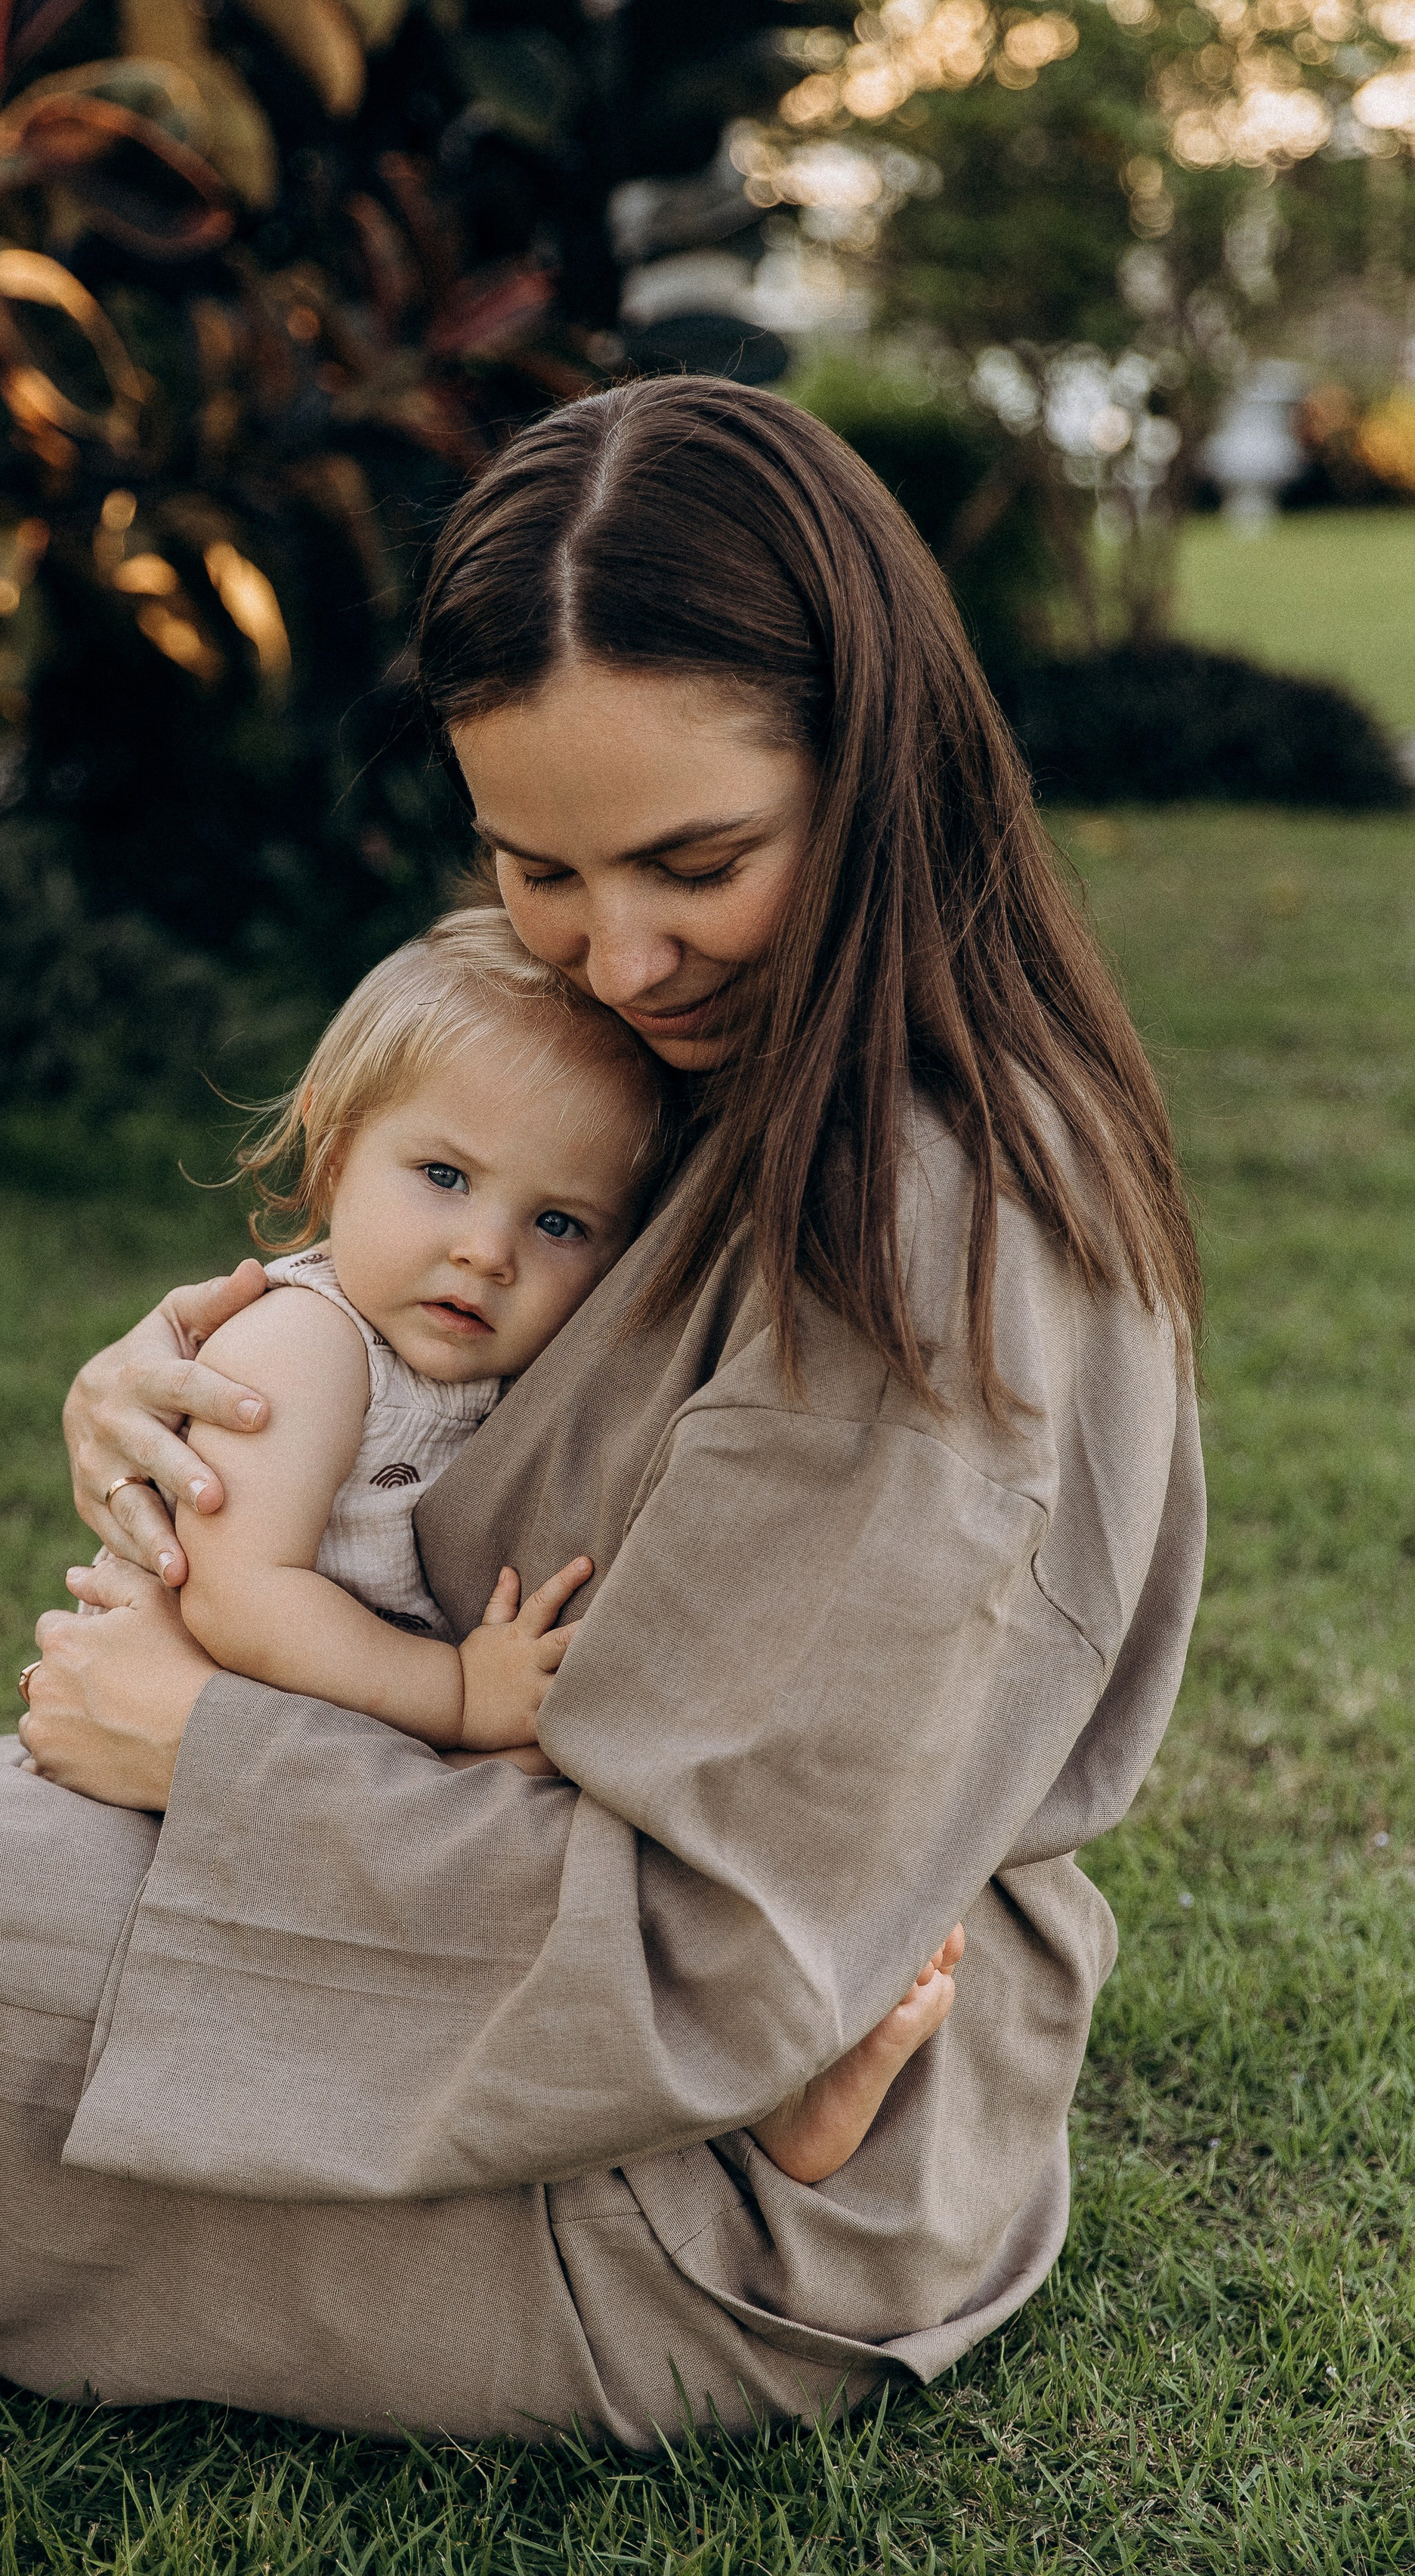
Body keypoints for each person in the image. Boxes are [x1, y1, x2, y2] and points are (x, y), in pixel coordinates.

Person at [0, 377, 1203, 2447]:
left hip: (687, 2204)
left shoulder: (932, 1241)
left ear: (877, 765)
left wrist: (210, 1749)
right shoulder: (765, 1059)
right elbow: (479, 1326)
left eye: (696, 861)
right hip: (533, 2034)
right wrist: (205, 1382)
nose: (620, 958)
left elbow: (717, 1952)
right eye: (536, 866)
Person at [131, 900, 965, 2184]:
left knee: (579, 1837)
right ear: (335, 1158)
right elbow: (240, 1595)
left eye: (559, 1225)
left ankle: (777, 2070)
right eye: (443, 1176)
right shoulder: (304, 1344)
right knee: (517, 1847)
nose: (487, 1251)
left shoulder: (486, 1369)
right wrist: (457, 1693)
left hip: (356, 1747)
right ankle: (760, 2083)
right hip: (235, 1747)